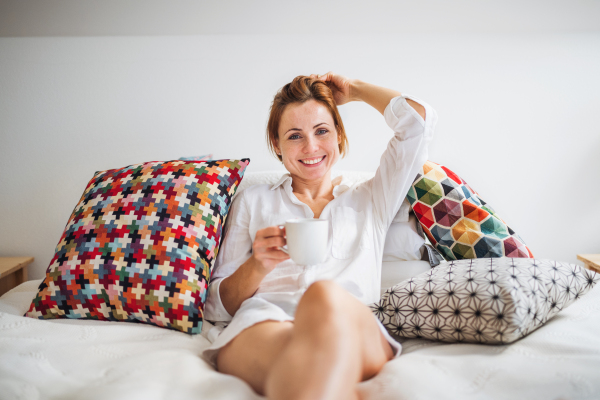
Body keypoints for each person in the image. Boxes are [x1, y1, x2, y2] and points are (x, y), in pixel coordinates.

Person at [202, 72, 437, 400]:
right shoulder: (253, 200)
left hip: (349, 322)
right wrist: (258, 264)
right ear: (277, 145)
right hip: (268, 321)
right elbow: (216, 306)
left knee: (323, 296)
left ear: (339, 135)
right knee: (301, 374)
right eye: (295, 136)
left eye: (322, 131)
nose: (311, 147)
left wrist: (355, 91)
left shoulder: (371, 198)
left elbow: (417, 122)